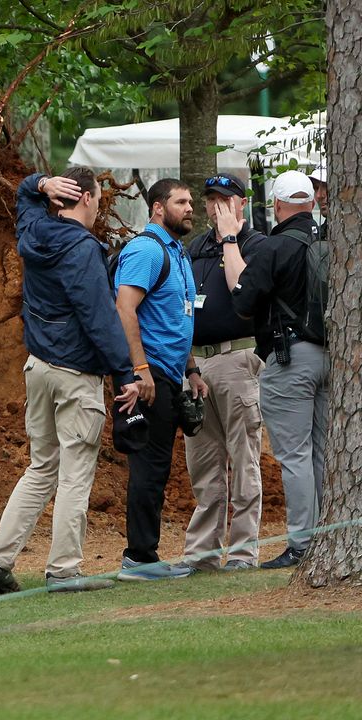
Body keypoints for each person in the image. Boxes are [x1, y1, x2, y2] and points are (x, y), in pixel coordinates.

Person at [0, 168, 140, 595]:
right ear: (84, 197)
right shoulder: (82, 249)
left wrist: (39, 183)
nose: (101, 203)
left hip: (39, 368)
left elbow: (24, 199)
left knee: (41, 467)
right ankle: (64, 570)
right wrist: (125, 374)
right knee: (74, 474)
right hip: (75, 375)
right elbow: (98, 317)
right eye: (99, 196)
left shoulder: (35, 230)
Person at [230, 170, 325, 569]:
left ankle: (302, 544)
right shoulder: (332, 242)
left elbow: (244, 302)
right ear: (313, 203)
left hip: (290, 360)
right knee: (323, 452)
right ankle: (331, 535)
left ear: (278, 206)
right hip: (331, 359)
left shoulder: (272, 248)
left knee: (295, 455)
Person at [114, 178, 207, 582]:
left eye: (190, 202)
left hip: (170, 376)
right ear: (157, 208)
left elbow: (178, 318)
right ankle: (139, 558)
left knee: (157, 469)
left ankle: (144, 554)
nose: (190, 208)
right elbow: (125, 309)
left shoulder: (179, 254)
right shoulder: (146, 250)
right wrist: (140, 371)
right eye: (181, 202)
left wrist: (191, 369)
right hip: (148, 377)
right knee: (149, 469)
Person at [181, 173, 267, 571]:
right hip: (196, 363)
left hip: (238, 358)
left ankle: (244, 551)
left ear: (241, 203)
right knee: (203, 463)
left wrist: (231, 236)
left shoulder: (255, 243)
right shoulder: (195, 247)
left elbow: (244, 291)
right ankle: (202, 554)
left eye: (225, 199)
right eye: (211, 199)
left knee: (244, 457)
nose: (216, 206)